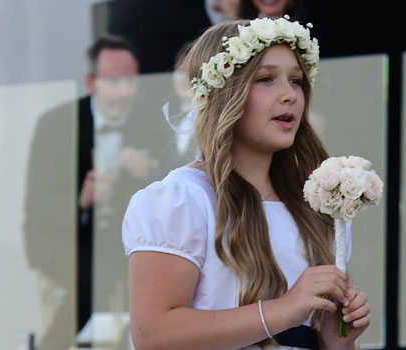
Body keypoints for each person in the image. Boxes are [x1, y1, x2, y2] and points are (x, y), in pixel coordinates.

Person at [122, 18, 370, 349]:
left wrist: (337, 340)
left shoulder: (316, 209)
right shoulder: (182, 200)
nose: (289, 95)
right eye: (266, 79)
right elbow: (153, 335)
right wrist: (282, 311)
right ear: (224, 93)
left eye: (296, 81)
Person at [24, 35, 166, 349]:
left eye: (132, 81)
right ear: (91, 84)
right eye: (115, 82)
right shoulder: (55, 124)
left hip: (131, 249)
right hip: (68, 243)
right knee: (94, 276)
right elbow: (36, 207)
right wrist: (82, 199)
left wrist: (150, 170)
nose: (125, 92)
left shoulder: (152, 120)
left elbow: (176, 186)